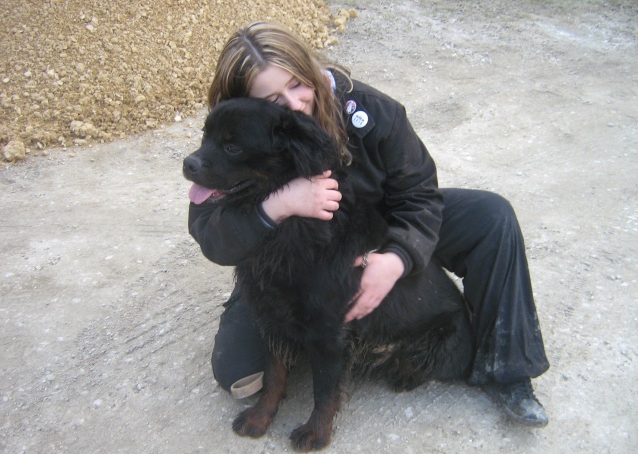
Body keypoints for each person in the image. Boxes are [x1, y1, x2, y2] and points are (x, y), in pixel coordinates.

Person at [187, 21, 550, 427]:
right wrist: (278, 205)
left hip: (381, 222)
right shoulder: (236, 135)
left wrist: (396, 258)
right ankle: (329, 336)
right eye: (272, 98)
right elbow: (212, 236)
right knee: (237, 374)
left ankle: (509, 369)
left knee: (492, 215)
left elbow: (420, 195)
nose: (293, 103)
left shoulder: (374, 113)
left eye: (298, 84)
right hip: (286, 260)